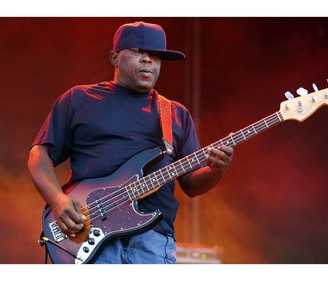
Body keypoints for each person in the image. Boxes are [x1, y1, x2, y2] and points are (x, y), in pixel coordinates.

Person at [27, 21, 234, 264]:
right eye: (138, 52)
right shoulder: (80, 99)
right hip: (87, 233)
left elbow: (191, 185)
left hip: (153, 242)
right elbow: (39, 155)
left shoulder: (175, 113)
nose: (148, 60)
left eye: (156, 56)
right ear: (114, 58)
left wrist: (217, 170)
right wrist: (57, 200)